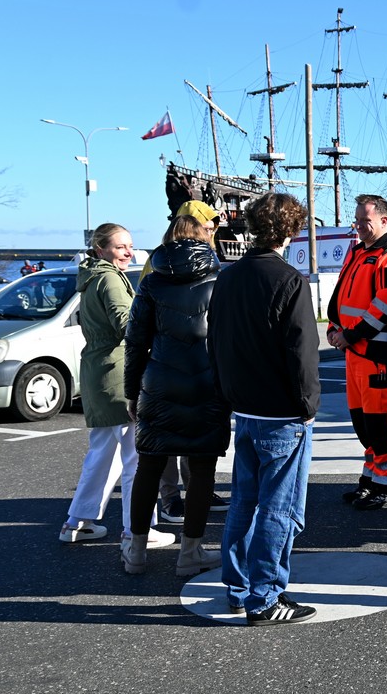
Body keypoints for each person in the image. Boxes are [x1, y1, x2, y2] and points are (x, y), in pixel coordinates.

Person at [208, 193, 321, 625]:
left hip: (246, 408)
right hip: (281, 412)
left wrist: (226, 392)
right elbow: (302, 352)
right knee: (280, 507)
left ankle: (237, 588)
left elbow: (214, 339)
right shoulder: (289, 280)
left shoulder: (229, 277)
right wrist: (308, 405)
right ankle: (265, 597)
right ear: (291, 231)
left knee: (243, 503)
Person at [122, 215, 229, 575]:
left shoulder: (151, 282)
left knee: (149, 465)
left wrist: (130, 390)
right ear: (204, 240)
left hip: (160, 382)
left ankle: (136, 551)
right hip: (207, 383)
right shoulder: (221, 278)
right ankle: (190, 552)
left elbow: (135, 341)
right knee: (201, 470)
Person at [59, 224, 174, 551]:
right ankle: (138, 530)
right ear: (101, 249)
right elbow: (127, 322)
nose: (128, 252)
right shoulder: (110, 279)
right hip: (118, 373)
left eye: (130, 246)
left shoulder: (91, 277)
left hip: (99, 372)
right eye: (120, 247)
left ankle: (77, 523)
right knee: (136, 458)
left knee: (102, 454)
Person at [329, 194, 387, 510]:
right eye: (358, 220)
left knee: (381, 422)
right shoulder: (360, 252)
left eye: (366, 220)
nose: (360, 226)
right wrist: (334, 328)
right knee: (364, 423)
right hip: (355, 352)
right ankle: (371, 478)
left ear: (383, 221)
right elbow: (341, 294)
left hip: (377, 353)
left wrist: (350, 335)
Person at [155, 199, 228, 524]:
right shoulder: (158, 270)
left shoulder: (211, 267)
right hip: (174, 366)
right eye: (207, 227)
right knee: (171, 439)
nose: (211, 231)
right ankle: (170, 499)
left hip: (197, 366)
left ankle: (198, 490)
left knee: (194, 438)